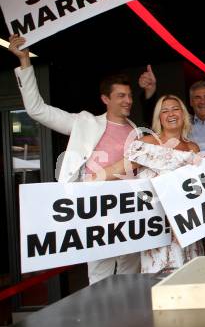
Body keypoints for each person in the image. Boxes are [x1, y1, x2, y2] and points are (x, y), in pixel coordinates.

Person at [8, 34, 157, 284]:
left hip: (130, 211)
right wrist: (25, 62)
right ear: (105, 99)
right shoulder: (84, 123)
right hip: (95, 212)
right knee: (99, 279)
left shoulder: (136, 130)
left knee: (131, 277)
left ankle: (130, 323)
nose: (128, 100)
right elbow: (37, 110)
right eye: (121, 96)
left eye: (130, 95)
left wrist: (150, 92)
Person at [97, 95, 205, 273]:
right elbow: (120, 168)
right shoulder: (146, 142)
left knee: (189, 276)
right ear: (159, 118)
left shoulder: (193, 148)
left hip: (186, 224)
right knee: (160, 280)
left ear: (183, 114)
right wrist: (92, 179)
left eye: (175, 109)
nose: (171, 113)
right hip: (157, 225)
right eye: (164, 110)